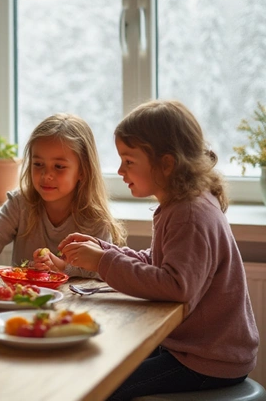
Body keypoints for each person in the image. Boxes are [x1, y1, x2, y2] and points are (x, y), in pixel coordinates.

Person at [59, 100, 259, 400]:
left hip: (207, 360)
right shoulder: (180, 204)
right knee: (101, 359)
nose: (120, 170)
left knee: (100, 386)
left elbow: (175, 285)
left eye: (128, 161)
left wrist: (103, 262)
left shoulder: (190, 213)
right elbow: (159, 262)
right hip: (194, 350)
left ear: (166, 163)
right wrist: (102, 249)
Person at [0, 113, 126, 278]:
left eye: (59, 166)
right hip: (23, 301)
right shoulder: (21, 203)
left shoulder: (95, 220)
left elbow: (100, 271)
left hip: (76, 306)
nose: (46, 175)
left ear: (83, 171)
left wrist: (63, 267)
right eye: (38, 164)